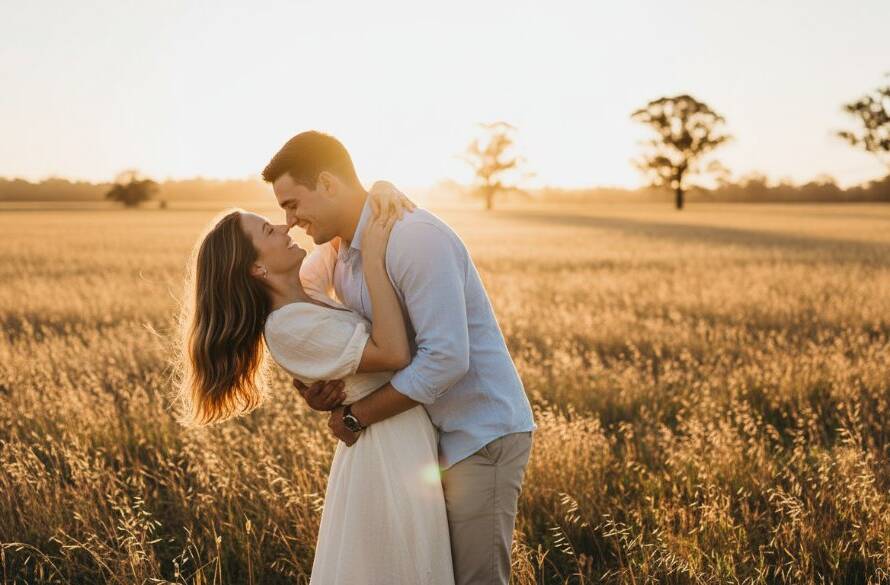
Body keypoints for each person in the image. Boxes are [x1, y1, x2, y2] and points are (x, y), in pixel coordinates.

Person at [263, 131, 537, 585]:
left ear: (328, 184)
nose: (289, 221)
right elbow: (297, 303)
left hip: (479, 434)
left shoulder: (414, 238)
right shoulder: (338, 250)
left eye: (293, 203)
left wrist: (356, 417)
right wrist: (315, 385)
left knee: (476, 581)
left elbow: (446, 360)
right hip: (425, 442)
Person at [178, 186, 453, 583]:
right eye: (267, 231)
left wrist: (379, 188)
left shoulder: (303, 289)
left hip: (401, 436)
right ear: (257, 269)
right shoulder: (287, 326)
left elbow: (341, 227)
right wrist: (374, 260)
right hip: (385, 452)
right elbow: (395, 354)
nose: (283, 224)